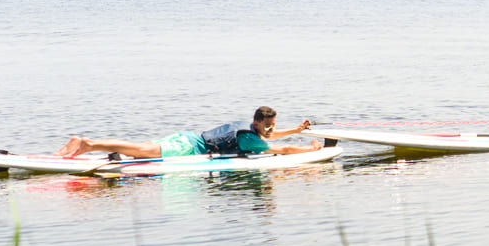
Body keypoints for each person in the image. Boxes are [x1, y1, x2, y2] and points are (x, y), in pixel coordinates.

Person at [57, 105, 315, 161]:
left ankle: (83, 143)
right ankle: (89, 144)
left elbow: (271, 136)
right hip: (190, 149)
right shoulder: (251, 139)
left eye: (273, 125)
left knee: (138, 148)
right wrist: (312, 151)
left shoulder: (248, 129)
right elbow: (283, 149)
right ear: (258, 123)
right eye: (268, 125)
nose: (271, 129)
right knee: (138, 151)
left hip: (188, 138)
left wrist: (296, 129)